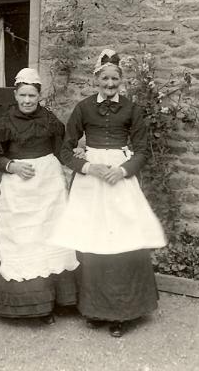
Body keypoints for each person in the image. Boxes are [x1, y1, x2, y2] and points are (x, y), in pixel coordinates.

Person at [49, 49, 166, 337]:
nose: (110, 84)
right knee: (92, 242)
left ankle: (122, 313)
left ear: (121, 80)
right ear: (96, 80)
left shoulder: (132, 109)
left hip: (120, 181)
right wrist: (88, 167)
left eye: (115, 79)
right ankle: (94, 308)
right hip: (91, 183)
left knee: (123, 242)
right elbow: (65, 150)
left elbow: (142, 150)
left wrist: (124, 170)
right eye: (105, 79)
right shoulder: (84, 108)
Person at [0, 68, 79, 324]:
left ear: (39, 95)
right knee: (23, 240)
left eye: (32, 95)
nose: (27, 101)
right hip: (19, 187)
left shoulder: (50, 120)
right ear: (15, 94)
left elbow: (62, 148)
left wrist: (81, 156)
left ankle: (53, 301)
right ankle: (24, 304)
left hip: (48, 186)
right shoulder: (5, 122)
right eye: (23, 95)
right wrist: (13, 165)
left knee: (49, 238)